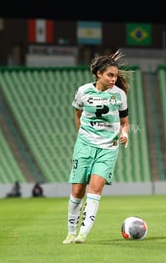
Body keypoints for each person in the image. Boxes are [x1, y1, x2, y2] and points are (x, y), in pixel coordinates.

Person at [63, 49, 133, 244]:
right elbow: (78, 114)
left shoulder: (119, 95)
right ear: (98, 74)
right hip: (84, 145)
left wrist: (125, 133)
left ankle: (82, 234)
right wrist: (81, 136)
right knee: (77, 191)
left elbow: (125, 121)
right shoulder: (83, 91)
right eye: (110, 75)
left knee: (95, 189)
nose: (113, 79)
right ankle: (70, 232)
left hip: (108, 148)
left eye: (115, 76)